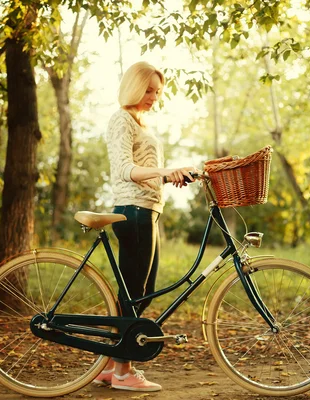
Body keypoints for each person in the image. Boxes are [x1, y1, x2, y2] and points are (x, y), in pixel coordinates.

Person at [93, 61, 196, 392]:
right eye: (148, 89)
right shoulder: (121, 119)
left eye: (158, 91)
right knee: (134, 295)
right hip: (133, 212)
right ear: (134, 87)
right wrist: (164, 171)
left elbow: (147, 169)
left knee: (142, 293)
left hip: (147, 210)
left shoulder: (140, 122)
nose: (154, 96)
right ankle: (125, 372)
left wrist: (168, 177)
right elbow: (125, 168)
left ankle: (109, 367)